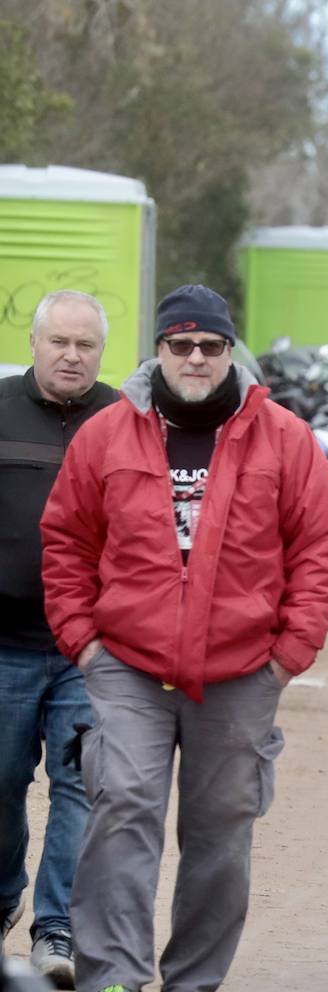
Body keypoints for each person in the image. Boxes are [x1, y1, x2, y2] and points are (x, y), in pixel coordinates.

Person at [40, 285, 328, 992]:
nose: (197, 358)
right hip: (126, 665)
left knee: (221, 837)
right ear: (158, 351)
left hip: (241, 672)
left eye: (211, 346)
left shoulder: (283, 436)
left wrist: (288, 654)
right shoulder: (106, 435)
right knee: (121, 811)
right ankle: (113, 977)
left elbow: (323, 544)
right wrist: (84, 641)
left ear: (229, 351)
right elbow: (65, 540)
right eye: (180, 345)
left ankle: (194, 981)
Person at [0, 291, 119, 987]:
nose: (72, 355)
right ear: (35, 343)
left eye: (86, 344)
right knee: (2, 781)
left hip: (94, 654)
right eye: (59, 342)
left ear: (102, 352)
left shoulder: (126, 423)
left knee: (80, 787)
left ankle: (58, 930)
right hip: (5, 644)